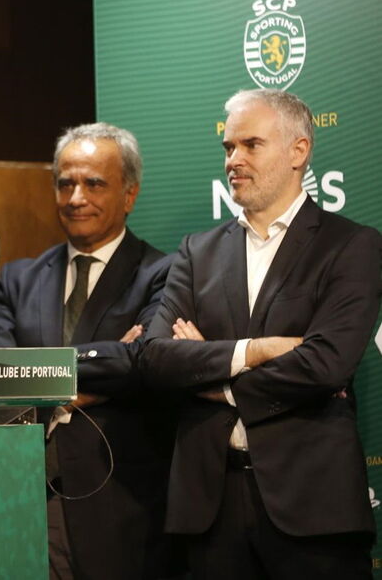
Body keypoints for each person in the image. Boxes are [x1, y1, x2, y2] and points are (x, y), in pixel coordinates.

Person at [140, 89, 381, 578]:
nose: (234, 160)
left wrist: (211, 374)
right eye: (228, 148)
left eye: (251, 145)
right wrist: (256, 351)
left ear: (299, 151)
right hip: (209, 510)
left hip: (313, 510)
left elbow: (326, 364)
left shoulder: (351, 246)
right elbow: (154, 359)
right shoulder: (196, 252)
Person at [0, 123, 174, 579]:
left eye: (93, 183)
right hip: (18, 498)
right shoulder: (18, 278)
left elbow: (143, 364)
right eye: (65, 183)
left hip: (120, 503)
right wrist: (98, 371)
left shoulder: (163, 272)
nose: (75, 197)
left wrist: (39, 376)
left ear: (129, 195)